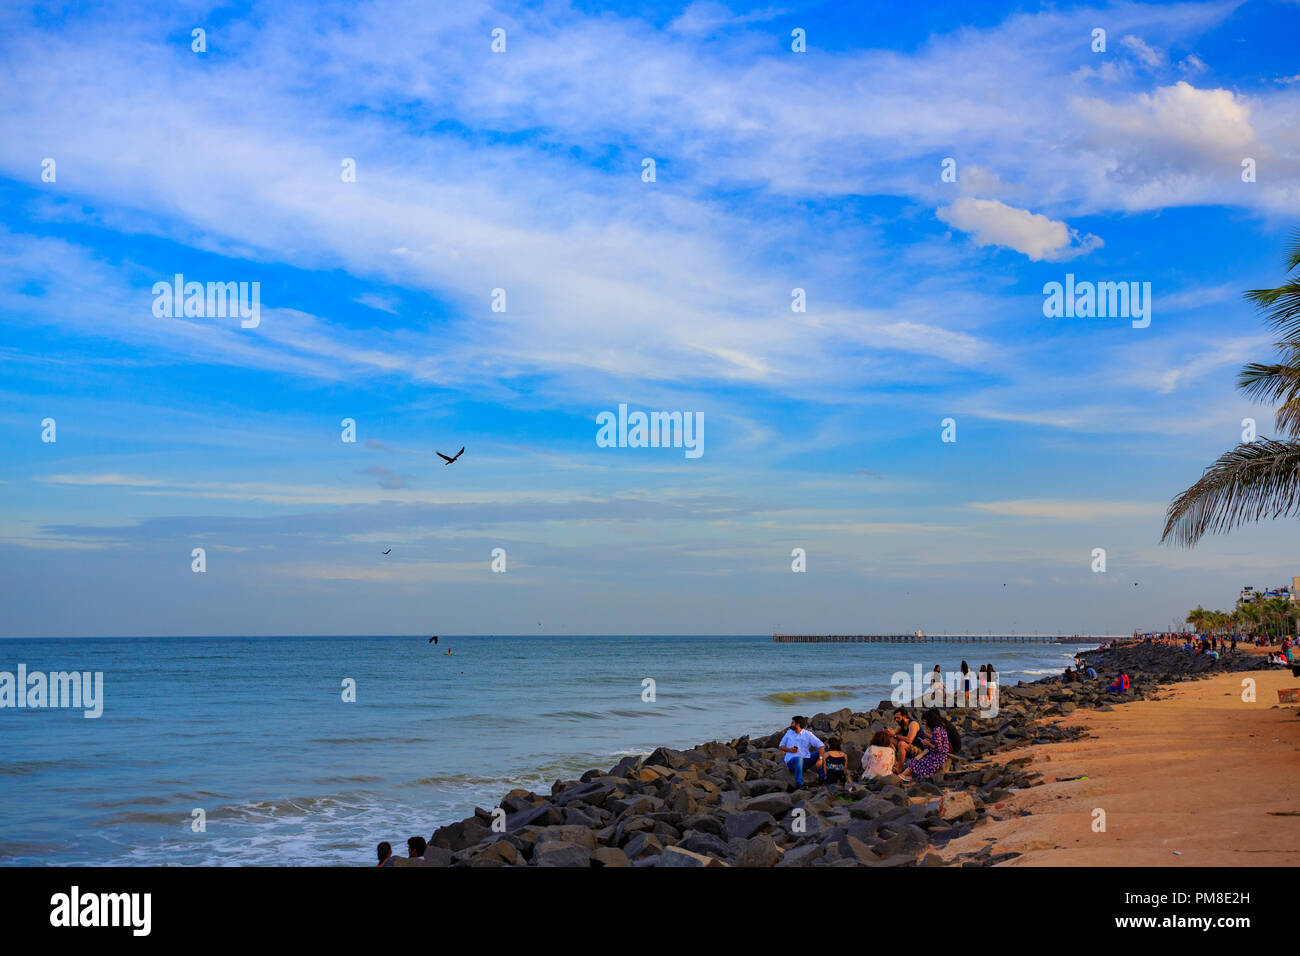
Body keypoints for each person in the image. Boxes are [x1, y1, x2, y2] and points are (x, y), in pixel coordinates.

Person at [899, 709, 961, 781]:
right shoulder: (940, 728)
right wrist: (931, 741)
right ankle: (906, 777)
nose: (925, 724)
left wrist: (927, 743)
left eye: (925, 722)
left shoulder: (936, 730)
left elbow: (939, 748)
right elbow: (939, 742)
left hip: (938, 757)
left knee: (915, 763)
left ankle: (900, 777)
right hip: (940, 755)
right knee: (916, 761)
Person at [778, 715, 825, 787]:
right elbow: (781, 746)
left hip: (805, 762)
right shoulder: (789, 733)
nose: (790, 724)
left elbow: (821, 745)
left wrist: (820, 759)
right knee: (798, 759)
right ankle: (800, 784)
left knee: (819, 753)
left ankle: (822, 780)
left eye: (792, 723)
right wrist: (789, 750)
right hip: (791, 763)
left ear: (797, 725)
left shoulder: (808, 734)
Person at [889, 707, 922, 771]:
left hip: (919, 749)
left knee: (902, 744)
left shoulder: (913, 724)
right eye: (895, 718)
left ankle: (899, 768)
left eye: (898, 718)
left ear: (904, 717)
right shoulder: (901, 724)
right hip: (909, 747)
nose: (896, 720)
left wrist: (895, 735)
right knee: (890, 739)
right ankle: (895, 762)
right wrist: (888, 732)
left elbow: (910, 740)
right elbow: (893, 735)